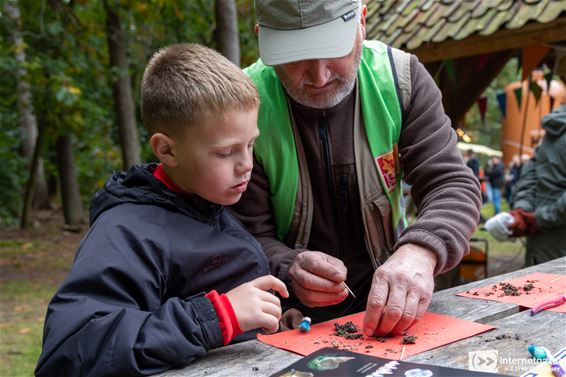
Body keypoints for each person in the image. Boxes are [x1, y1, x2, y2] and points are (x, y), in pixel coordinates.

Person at [35, 44, 293, 376]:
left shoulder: (208, 203)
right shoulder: (126, 231)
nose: (246, 165)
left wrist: (272, 321)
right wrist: (216, 316)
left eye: (251, 144)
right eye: (226, 152)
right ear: (167, 150)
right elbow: (70, 352)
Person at [231, 0, 481, 338]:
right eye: (295, 56)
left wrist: (420, 250)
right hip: (289, 319)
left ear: (361, 22)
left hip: (397, 303)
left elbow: (450, 183)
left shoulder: (400, 79)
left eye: (334, 48)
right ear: (264, 40)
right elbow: (242, 232)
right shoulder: (242, 103)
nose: (319, 76)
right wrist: (289, 267)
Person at [508, 101, 566, 266]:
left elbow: (531, 172)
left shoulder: (553, 129)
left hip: (541, 241)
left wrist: (523, 208)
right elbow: (533, 171)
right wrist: (532, 214)